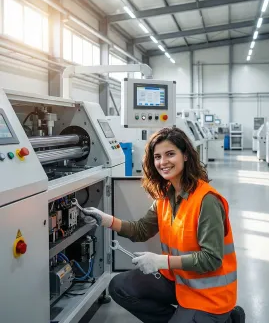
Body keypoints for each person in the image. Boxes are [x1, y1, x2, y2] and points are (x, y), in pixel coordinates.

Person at [82, 127, 245, 323]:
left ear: (185, 155)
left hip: (209, 295)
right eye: (157, 157)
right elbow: (141, 230)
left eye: (170, 154)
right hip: (179, 281)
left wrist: (162, 262)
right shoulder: (166, 196)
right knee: (119, 286)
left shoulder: (206, 201)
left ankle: (225, 319)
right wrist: (106, 220)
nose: (163, 162)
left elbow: (211, 259)